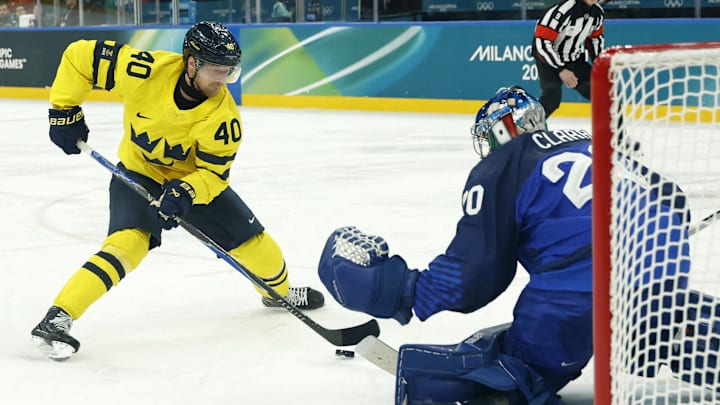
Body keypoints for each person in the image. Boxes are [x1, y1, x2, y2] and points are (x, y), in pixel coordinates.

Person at [317, 86, 692, 404]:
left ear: (501, 131)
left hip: (578, 285)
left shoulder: (502, 167)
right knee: (674, 325)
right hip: (666, 263)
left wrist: (403, 292)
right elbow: (673, 198)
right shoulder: (591, 140)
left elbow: (475, 274)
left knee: (518, 369)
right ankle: (673, 330)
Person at [31, 21, 324, 362]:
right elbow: (80, 56)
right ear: (191, 63)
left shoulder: (223, 119)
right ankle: (59, 316)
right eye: (216, 70)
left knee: (260, 249)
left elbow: (213, 176)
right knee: (127, 244)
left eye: (229, 71)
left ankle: (278, 293)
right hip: (139, 173)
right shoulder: (143, 70)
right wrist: (64, 109)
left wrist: (185, 191)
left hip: (192, 184)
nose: (222, 80)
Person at [532, 0, 604, 117]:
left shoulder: (597, 13)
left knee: (603, 94)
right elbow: (541, 42)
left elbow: (595, 39)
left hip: (575, 59)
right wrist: (561, 69)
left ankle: (617, 133)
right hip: (549, 61)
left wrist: (599, 65)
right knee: (551, 99)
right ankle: (525, 129)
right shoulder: (562, 11)